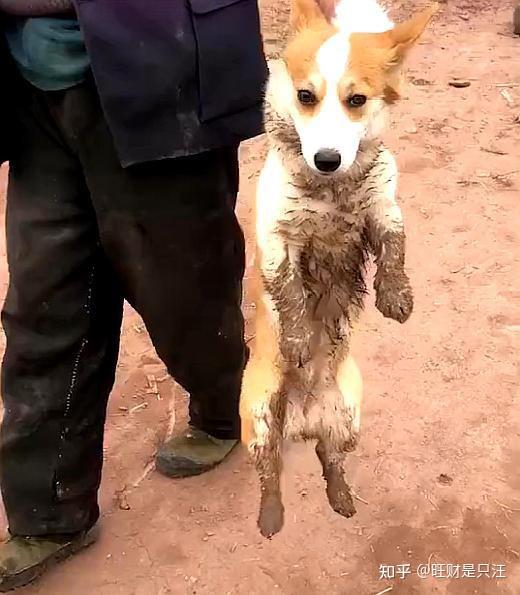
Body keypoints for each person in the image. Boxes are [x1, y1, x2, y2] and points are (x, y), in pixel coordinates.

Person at [0, 0, 267, 590]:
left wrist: (351, 27)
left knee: (186, 290)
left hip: (162, 68)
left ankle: (224, 410)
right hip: (33, 88)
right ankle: (50, 513)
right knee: (44, 300)